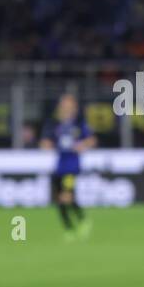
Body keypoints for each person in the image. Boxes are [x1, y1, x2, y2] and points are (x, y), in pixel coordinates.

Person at [39, 92, 95, 239]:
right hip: (59, 166)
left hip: (72, 166)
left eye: (68, 105)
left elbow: (91, 140)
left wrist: (81, 145)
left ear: (74, 107)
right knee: (59, 199)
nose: (66, 108)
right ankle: (69, 228)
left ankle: (82, 221)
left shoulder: (79, 123)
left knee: (66, 196)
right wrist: (48, 145)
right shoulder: (54, 124)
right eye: (63, 105)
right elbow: (44, 142)